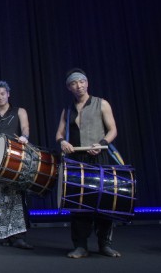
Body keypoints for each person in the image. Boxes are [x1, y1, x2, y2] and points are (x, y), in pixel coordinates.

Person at [55, 68, 121, 259]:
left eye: (82, 82)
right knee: (78, 204)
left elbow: (113, 130)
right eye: (74, 83)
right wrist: (63, 142)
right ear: (69, 87)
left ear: (87, 83)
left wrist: (101, 145)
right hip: (77, 160)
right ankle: (81, 245)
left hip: (99, 158)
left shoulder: (102, 104)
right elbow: (59, 134)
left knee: (104, 201)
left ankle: (104, 244)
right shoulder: (67, 110)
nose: (79, 86)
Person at [0, 81, 33, 250]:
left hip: (16, 160)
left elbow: (25, 128)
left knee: (16, 199)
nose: (0, 97)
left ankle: (19, 236)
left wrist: (25, 137)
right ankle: (6, 235)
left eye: (3, 94)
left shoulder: (19, 111)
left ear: (8, 94)